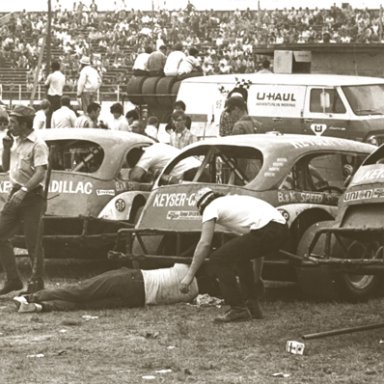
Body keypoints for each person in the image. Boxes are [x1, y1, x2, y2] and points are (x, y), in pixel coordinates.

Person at [179, 188, 289, 323]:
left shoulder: (210, 207)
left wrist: (189, 276)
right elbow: (255, 249)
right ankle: (252, 305)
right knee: (239, 256)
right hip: (282, 230)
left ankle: (238, 308)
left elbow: (204, 244)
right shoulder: (234, 202)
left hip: (268, 230)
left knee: (218, 260)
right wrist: (257, 276)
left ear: (201, 206)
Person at [13, 263, 200, 313]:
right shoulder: (193, 295)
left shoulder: (183, 269)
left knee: (81, 290)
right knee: (84, 305)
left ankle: (32, 298)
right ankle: (40, 307)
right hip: (137, 300)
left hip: (132, 279)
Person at [0, 105, 49, 295]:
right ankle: (13, 279)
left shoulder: (38, 144)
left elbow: (40, 172)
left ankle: (37, 283)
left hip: (32, 196)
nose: (9, 126)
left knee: (33, 242)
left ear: (24, 123)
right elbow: (5, 166)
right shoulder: (15, 142)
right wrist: (5, 148)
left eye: (13, 122)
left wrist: (24, 190)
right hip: (15, 193)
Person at [128, 143, 200, 183]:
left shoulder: (147, 155)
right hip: (199, 167)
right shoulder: (156, 146)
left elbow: (134, 176)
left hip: (191, 172)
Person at [44, 61, 66, 127]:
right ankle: (57, 125)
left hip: (51, 96)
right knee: (58, 113)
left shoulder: (51, 75)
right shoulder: (63, 76)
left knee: (49, 113)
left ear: (52, 68)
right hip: (59, 96)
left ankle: (48, 126)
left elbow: (46, 84)